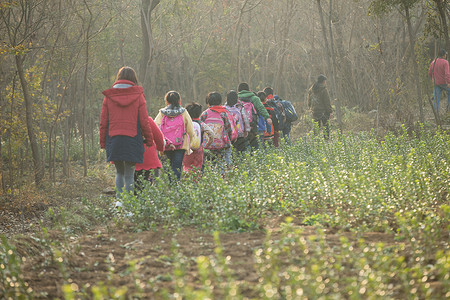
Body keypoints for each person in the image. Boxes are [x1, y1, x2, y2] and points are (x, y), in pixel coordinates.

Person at [100, 66, 154, 201]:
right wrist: (149, 139)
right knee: (130, 174)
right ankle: (129, 204)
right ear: (133, 78)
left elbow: (103, 122)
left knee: (119, 172)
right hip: (133, 138)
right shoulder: (139, 96)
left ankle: (119, 202)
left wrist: (103, 142)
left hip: (114, 138)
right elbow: (144, 121)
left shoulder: (109, 96)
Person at [155, 91, 199, 182]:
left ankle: (170, 184)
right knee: (177, 166)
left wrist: (161, 142)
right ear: (179, 100)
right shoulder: (183, 112)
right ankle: (175, 186)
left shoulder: (162, 112)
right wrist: (189, 141)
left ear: (167, 101)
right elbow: (190, 129)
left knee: (170, 165)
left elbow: (156, 126)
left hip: (167, 144)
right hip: (181, 144)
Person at [201, 92, 234, 172]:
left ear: (208, 103)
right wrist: (230, 138)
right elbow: (228, 127)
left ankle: (211, 175)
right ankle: (221, 176)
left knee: (209, 161)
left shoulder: (205, 114)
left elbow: (201, 127)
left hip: (208, 144)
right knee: (220, 161)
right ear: (220, 102)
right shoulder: (223, 113)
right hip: (221, 144)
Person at [134, 116, 165, 193]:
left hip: (129, 156)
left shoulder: (124, 121)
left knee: (131, 182)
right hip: (147, 156)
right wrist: (161, 149)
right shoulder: (147, 120)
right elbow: (159, 137)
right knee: (145, 181)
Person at [237, 82, 272, 151]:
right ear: (249, 89)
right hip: (252, 125)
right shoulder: (254, 98)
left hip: (239, 127)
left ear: (238, 90)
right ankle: (256, 159)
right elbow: (261, 108)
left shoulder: (236, 98)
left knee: (241, 147)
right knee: (255, 145)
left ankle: (244, 160)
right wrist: (267, 117)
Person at [182, 102, 213, 174]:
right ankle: (198, 182)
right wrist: (208, 143)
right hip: (198, 149)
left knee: (187, 167)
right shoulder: (201, 123)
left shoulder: (184, 124)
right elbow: (211, 133)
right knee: (198, 166)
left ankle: (188, 182)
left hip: (187, 149)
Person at [307, 74, 332, 139]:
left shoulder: (311, 89)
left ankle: (316, 142)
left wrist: (310, 108)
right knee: (326, 127)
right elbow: (327, 102)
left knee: (316, 128)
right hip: (323, 112)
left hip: (314, 111)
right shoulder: (324, 89)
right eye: (325, 81)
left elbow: (309, 101)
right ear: (323, 81)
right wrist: (330, 111)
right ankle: (326, 142)